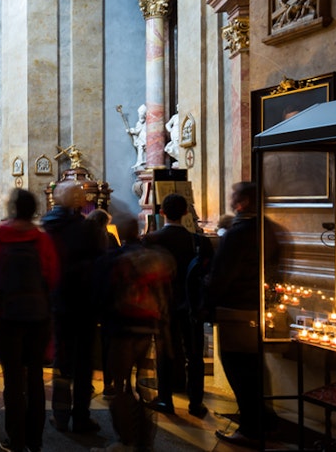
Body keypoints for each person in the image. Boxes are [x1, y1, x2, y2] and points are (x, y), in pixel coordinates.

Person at [0, 188, 60, 452]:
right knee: (35, 377)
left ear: (12, 208)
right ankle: (36, 439)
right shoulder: (42, 239)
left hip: (5, 315)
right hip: (37, 314)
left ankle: (16, 439)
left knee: (12, 379)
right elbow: (55, 275)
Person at [96, 213, 174, 452]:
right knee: (145, 388)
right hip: (149, 330)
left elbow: (102, 295)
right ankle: (145, 439)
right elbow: (167, 293)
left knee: (120, 386)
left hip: (121, 330)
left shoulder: (113, 259)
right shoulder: (156, 258)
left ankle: (125, 439)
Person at [204, 182, 273, 447]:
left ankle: (250, 429)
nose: (232, 201)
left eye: (235, 196)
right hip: (260, 306)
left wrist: (207, 300)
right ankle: (267, 422)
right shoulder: (268, 227)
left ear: (243, 201)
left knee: (238, 369)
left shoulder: (238, 233)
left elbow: (222, 275)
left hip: (236, 310)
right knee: (254, 368)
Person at [41, 180, 106, 434]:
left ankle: (59, 414)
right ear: (76, 201)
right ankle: (80, 416)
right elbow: (99, 264)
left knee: (62, 359)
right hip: (85, 302)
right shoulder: (87, 228)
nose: (84, 198)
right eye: (80, 195)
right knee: (83, 362)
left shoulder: (47, 226)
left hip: (58, 301)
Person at [143, 193, 210, 418]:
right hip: (191, 304)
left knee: (164, 352)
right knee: (194, 355)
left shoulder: (151, 240)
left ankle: (165, 400)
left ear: (162, 213)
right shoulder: (199, 241)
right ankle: (196, 403)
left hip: (162, 304)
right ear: (185, 213)